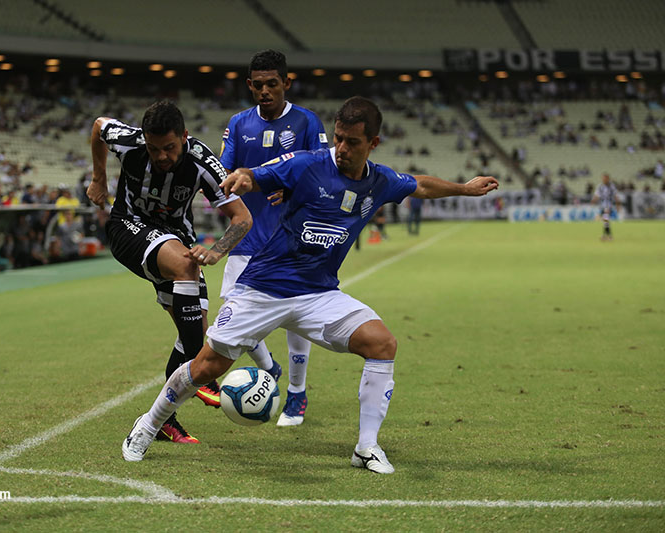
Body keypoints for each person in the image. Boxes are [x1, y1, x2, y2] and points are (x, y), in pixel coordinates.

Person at [121, 97, 498, 473]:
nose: (343, 149)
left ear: (373, 143)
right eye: (338, 139)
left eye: (352, 142)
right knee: (206, 366)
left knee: (382, 343)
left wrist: (465, 189)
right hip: (263, 289)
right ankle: (149, 424)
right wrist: (243, 178)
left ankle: (366, 447)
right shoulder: (308, 164)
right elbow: (258, 175)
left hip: (318, 295)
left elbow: (420, 186)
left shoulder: (379, 180)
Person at [88, 101, 251, 444]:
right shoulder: (130, 141)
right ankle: (200, 375)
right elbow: (99, 125)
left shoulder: (203, 163)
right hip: (128, 227)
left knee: (193, 327)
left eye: (169, 148)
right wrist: (98, 177)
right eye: (154, 149)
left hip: (176, 237)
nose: (161, 156)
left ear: (185, 137)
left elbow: (242, 218)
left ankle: (163, 419)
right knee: (185, 267)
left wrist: (218, 250)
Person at [219, 49, 328, 426]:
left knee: (295, 318)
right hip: (246, 234)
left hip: (290, 236)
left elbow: (322, 171)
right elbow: (226, 172)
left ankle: (297, 394)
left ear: (286, 83)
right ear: (250, 85)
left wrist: (295, 188)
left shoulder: (306, 121)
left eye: (272, 84)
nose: (265, 91)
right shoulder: (238, 123)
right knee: (230, 315)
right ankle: (269, 368)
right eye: (258, 85)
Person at [591, 173, 621, 241]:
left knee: (605, 220)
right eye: (603, 178)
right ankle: (607, 236)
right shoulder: (600, 186)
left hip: (608, 206)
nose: (603, 180)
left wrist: (618, 205)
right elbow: (597, 195)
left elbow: (616, 196)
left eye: (605, 178)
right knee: (605, 221)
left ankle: (608, 236)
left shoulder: (612, 186)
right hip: (602, 206)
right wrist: (593, 201)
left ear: (608, 179)